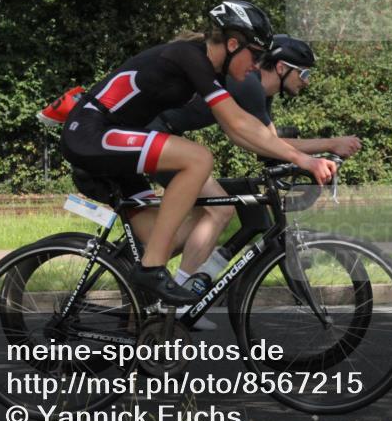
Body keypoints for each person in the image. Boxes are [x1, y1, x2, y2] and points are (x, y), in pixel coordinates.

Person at [57, 0, 336, 305]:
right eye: (255, 55)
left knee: (167, 236)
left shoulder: (210, 72)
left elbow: (241, 132)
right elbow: (240, 123)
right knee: (198, 158)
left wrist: (302, 157)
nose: (257, 66)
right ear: (232, 44)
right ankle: (152, 270)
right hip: (90, 133)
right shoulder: (190, 57)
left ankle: (146, 308)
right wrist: (304, 159)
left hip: (116, 149)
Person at [141, 35, 360, 327]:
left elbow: (272, 143)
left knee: (203, 215)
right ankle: (174, 302)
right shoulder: (248, 83)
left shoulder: (260, 93)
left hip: (161, 136)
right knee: (221, 210)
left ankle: (150, 280)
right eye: (304, 73)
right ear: (282, 67)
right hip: (153, 135)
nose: (307, 81)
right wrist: (330, 144)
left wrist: (321, 152)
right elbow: (264, 142)